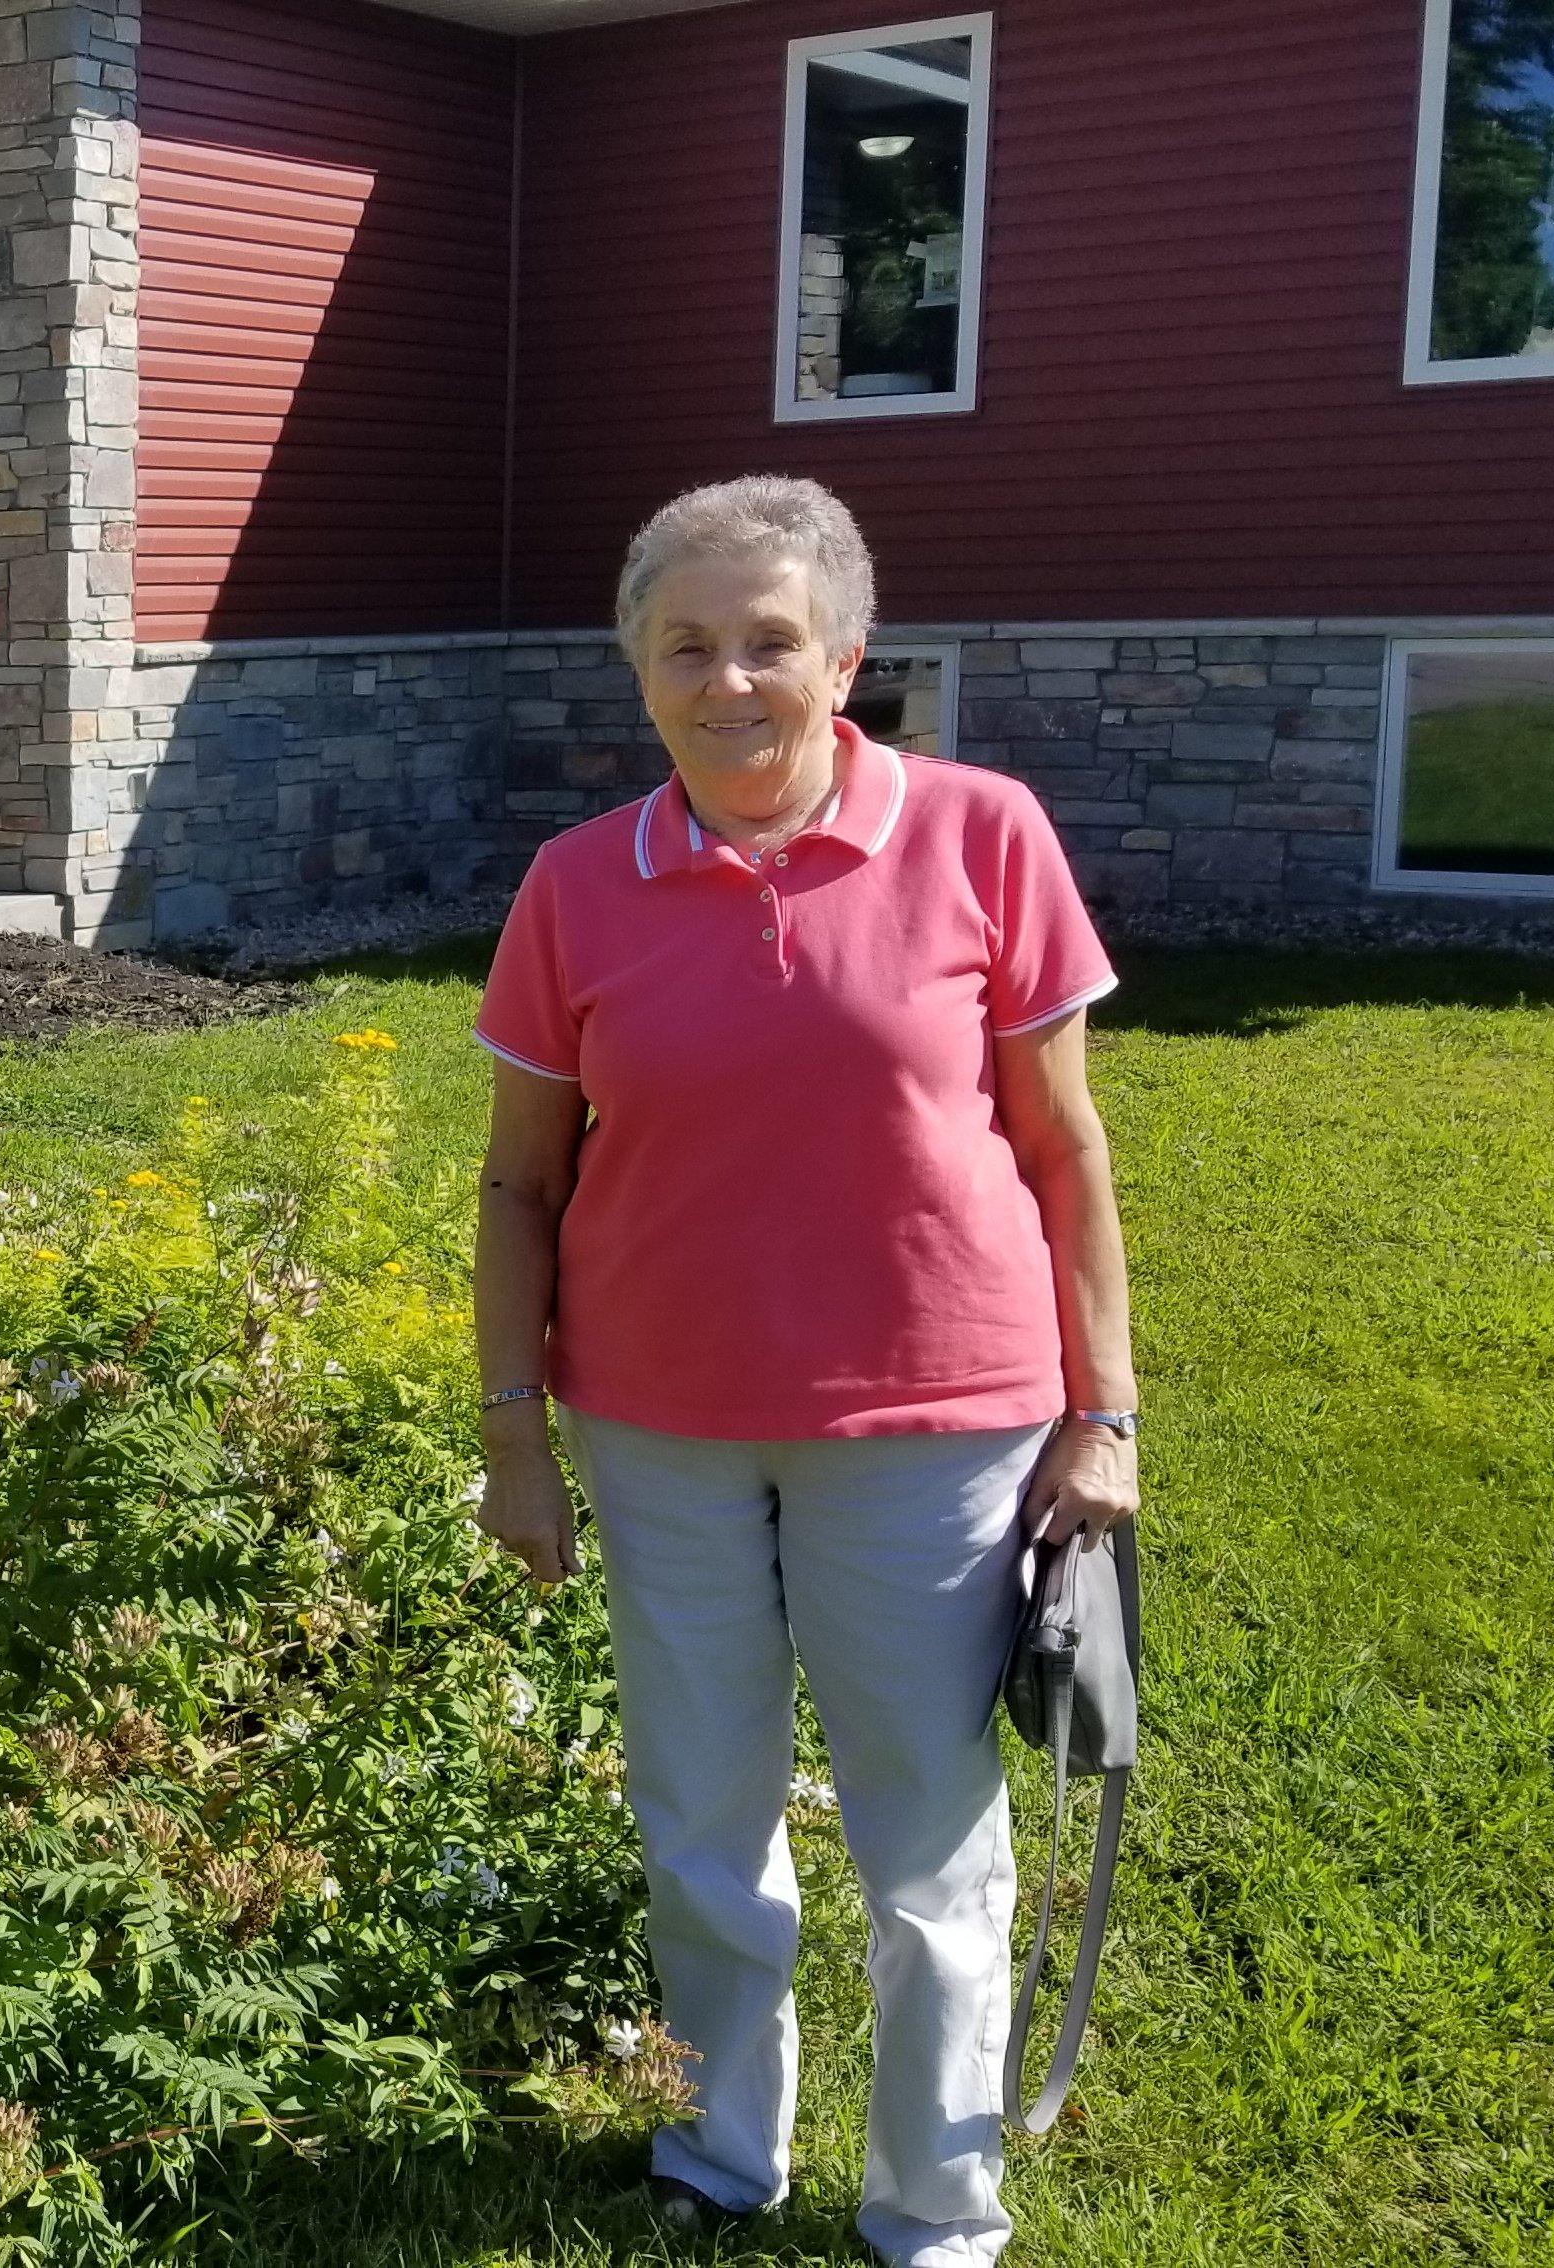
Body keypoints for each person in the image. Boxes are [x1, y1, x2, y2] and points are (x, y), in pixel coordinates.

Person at [469, 476, 1139, 2268]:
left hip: (932, 1422)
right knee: (699, 1811)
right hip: (657, 1424)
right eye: (686, 645)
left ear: (844, 655)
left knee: (926, 1836)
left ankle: (935, 2205)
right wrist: (512, 1428)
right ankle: (721, 2146)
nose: (731, 679)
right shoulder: (575, 886)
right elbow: (523, 1178)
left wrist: (1106, 1410)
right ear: (638, 671)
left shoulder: (983, 836)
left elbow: (1066, 1151)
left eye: (771, 640)